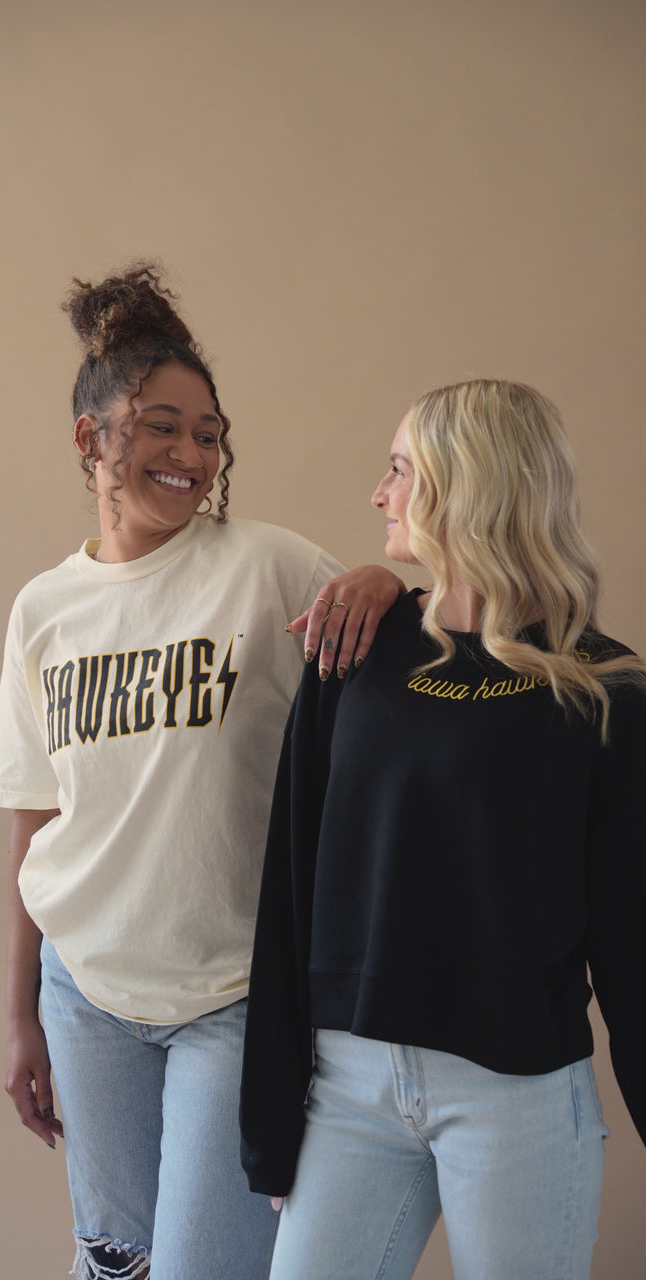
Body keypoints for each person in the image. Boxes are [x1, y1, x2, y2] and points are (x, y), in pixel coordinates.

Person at [0, 263, 403, 1280]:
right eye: (163, 425)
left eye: (208, 433)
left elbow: (398, 685)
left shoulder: (269, 566)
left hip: (237, 994)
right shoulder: (45, 608)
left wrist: (390, 580)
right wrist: (21, 1017)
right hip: (85, 993)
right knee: (115, 1263)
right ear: (93, 438)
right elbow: (37, 822)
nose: (191, 453)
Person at [240, 379, 646, 1280]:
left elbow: (632, 936)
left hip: (516, 1099)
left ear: (468, 485)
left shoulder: (604, 689)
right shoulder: (356, 650)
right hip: (347, 1089)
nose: (378, 495)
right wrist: (268, 1117)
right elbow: (291, 880)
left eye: (398, 470)